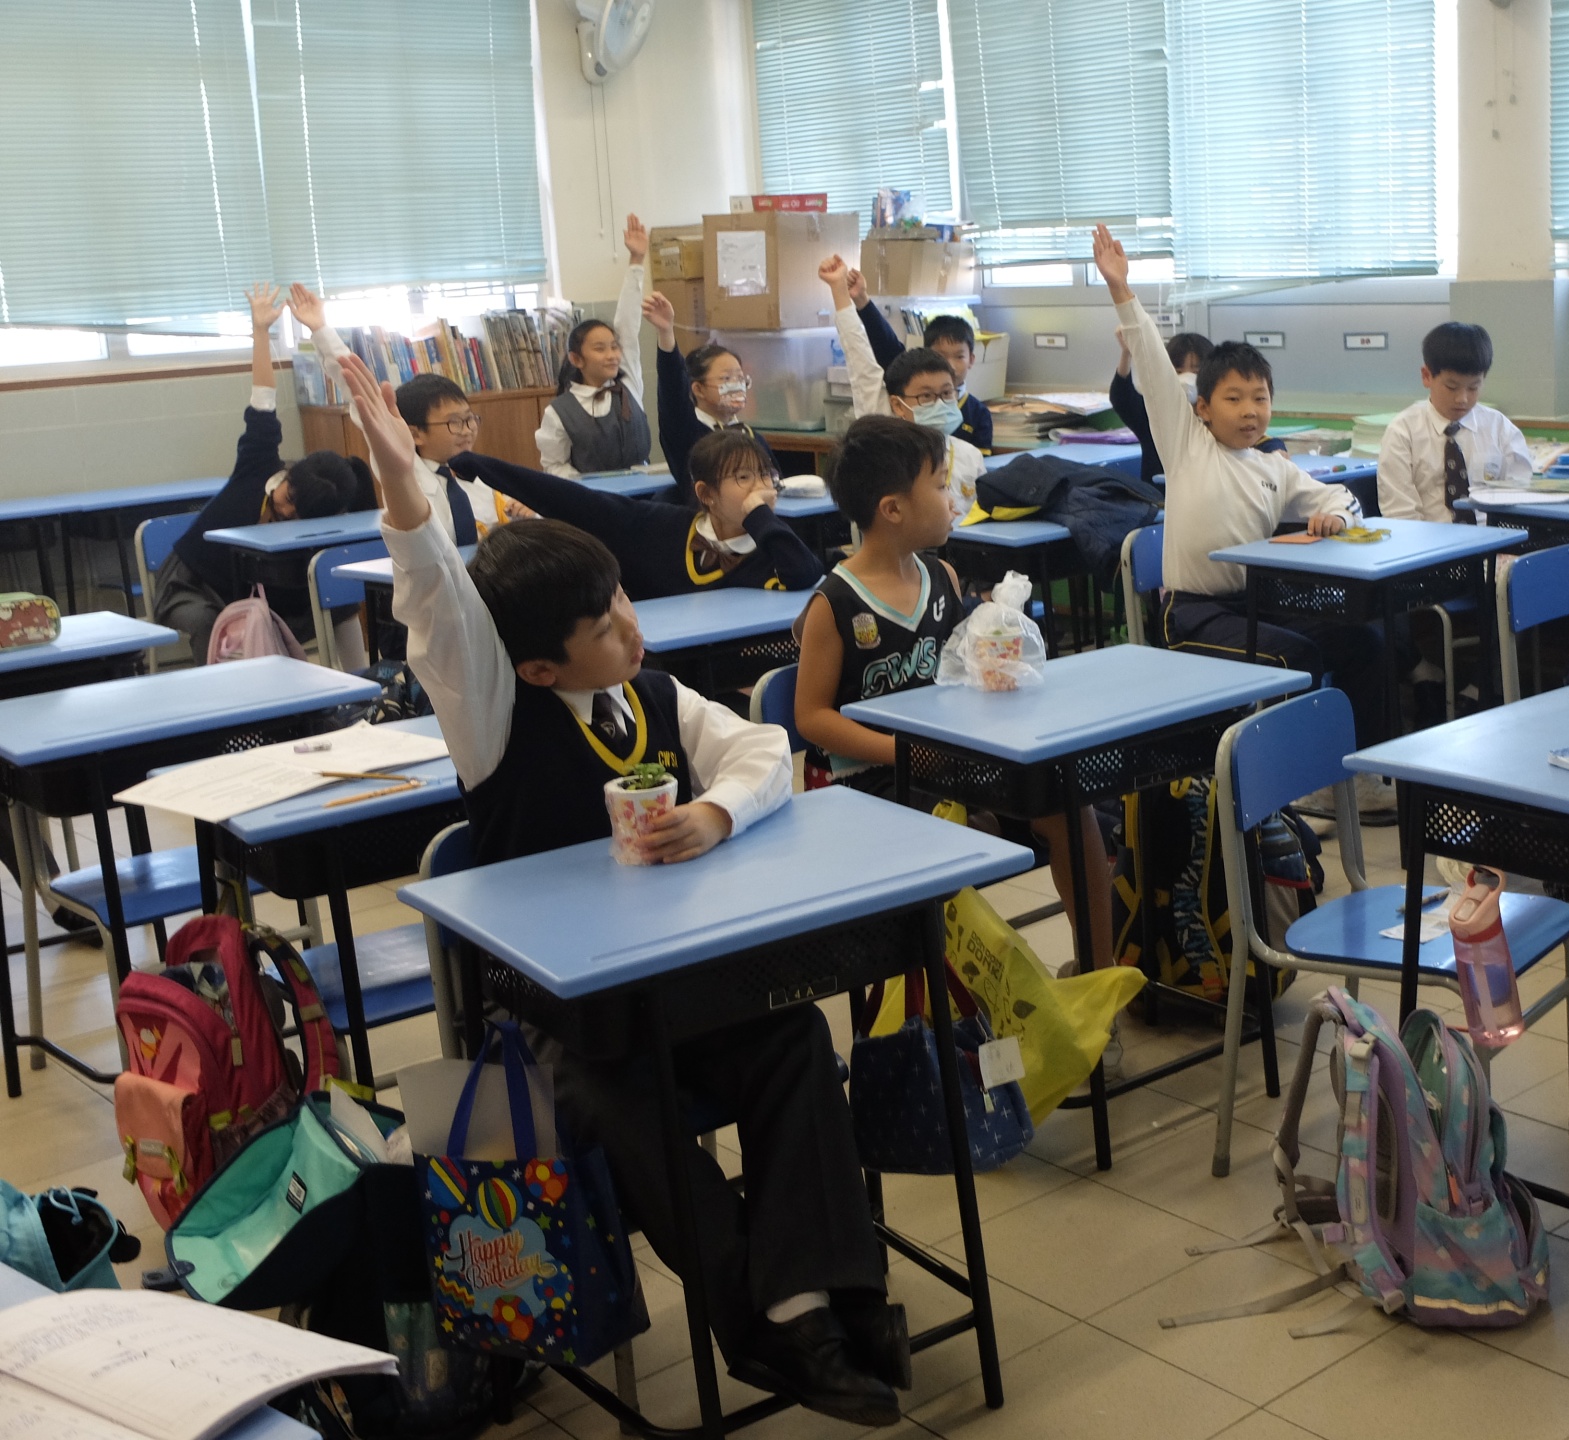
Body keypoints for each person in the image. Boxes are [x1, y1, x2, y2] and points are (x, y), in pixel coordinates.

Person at [333, 349, 906, 1428]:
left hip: (676, 986)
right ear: (537, 667)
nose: (631, 629)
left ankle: (807, 1304)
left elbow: (761, 751)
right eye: (603, 627)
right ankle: (774, 1320)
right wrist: (405, 488)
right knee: (623, 1105)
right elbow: (437, 600)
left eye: (622, 604)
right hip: (563, 1019)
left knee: (791, 1037)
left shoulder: (655, 693)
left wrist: (717, 813)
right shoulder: (493, 714)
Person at [794, 415, 1117, 989]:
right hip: (871, 782)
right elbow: (811, 718)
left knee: (1070, 803)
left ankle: (1096, 977)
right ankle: (975, 1004)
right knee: (971, 834)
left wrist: (994, 663)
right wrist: (904, 752)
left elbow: (955, 672)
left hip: (945, 764)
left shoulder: (940, 577)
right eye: (942, 485)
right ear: (893, 509)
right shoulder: (836, 603)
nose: (954, 500)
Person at [1092, 225, 1396, 807]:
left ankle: (1357, 776)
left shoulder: (1273, 467)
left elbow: (1339, 498)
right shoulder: (1185, 445)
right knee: (1297, 657)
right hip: (1194, 614)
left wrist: (1334, 518)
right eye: (1234, 399)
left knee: (1364, 642)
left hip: (1256, 605)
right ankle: (1297, 783)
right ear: (1203, 408)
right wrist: (1121, 289)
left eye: (1260, 398)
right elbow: (1152, 361)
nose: (1250, 411)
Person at [157, 282, 372, 666]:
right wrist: (260, 331)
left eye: (298, 512)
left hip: (264, 588)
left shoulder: (329, 509)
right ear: (289, 476)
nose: (286, 511)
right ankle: (227, 697)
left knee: (338, 600)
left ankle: (363, 683)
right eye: (288, 497)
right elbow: (263, 399)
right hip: (195, 583)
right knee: (211, 622)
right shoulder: (258, 462)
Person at [448, 425, 824, 598]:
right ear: (706, 494)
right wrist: (484, 467)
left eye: (766, 475)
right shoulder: (660, 527)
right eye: (743, 477)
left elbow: (804, 573)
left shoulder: (775, 539)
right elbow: (573, 500)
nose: (760, 487)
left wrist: (760, 518)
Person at [302, 289, 518, 537]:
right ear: (415, 434)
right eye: (454, 423)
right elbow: (359, 390)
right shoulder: (406, 473)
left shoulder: (480, 475)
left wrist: (525, 510)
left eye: (470, 419)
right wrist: (320, 329)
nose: (467, 431)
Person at [821, 258, 984, 522]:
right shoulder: (884, 439)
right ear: (897, 404)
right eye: (926, 396)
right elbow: (859, 356)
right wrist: (839, 291)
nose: (939, 403)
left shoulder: (970, 456)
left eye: (946, 393)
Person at [1376, 322, 1534, 523]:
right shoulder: (1403, 432)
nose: (1462, 399)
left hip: (1493, 536)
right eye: (1451, 387)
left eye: (1473, 387)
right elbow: (1400, 513)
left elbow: (1518, 497)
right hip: (1427, 538)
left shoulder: (1500, 428)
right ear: (1427, 376)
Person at [536, 213, 651, 476]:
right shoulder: (560, 411)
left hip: (645, 492)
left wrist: (636, 261)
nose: (612, 355)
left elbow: (628, 326)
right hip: (591, 497)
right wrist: (590, 489)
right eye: (600, 349)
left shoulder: (629, 384)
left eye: (614, 347)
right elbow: (554, 466)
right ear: (576, 359)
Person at [1111, 330, 1284, 487]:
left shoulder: (1219, 417)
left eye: (1196, 372)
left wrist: (1275, 449)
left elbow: (1255, 439)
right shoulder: (1154, 417)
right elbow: (1122, 398)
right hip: (1158, 502)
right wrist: (1127, 353)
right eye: (1178, 371)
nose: (1187, 379)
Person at [652, 287, 776, 502]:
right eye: (726, 379)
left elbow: (775, 482)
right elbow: (672, 391)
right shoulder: (687, 432)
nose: (736, 385)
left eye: (739, 378)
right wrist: (666, 333)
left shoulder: (751, 435)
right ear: (698, 389)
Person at [846, 268, 993, 447]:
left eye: (958, 356)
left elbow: (980, 463)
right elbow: (886, 344)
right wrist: (862, 300)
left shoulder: (978, 414)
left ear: (971, 359)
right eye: (941, 356)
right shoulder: (910, 381)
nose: (950, 365)